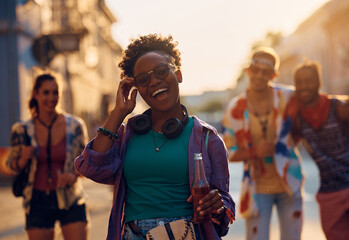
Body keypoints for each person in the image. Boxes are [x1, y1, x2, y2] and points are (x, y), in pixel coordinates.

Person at [74, 34, 235, 240]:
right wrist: (118, 113)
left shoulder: (207, 138)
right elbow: (90, 168)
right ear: (136, 88)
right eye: (143, 79)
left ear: (178, 74)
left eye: (161, 71)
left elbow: (225, 205)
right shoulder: (127, 134)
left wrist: (218, 204)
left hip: (187, 233)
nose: (154, 81)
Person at [222, 47, 304, 240]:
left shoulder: (288, 98)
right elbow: (228, 152)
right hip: (257, 188)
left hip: (289, 182)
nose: (259, 75)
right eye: (255, 69)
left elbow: (314, 102)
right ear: (248, 70)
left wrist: (347, 103)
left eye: (265, 71)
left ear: (273, 74)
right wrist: (254, 152)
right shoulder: (235, 108)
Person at [6, 72, 89, 240]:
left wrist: (73, 175)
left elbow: (87, 163)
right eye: (46, 92)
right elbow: (10, 165)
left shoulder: (75, 126)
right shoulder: (21, 130)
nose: (51, 97)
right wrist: (22, 159)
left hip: (70, 199)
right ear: (35, 94)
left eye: (55, 92)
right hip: (37, 201)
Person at [286, 61, 349, 240]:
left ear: (318, 83)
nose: (304, 86)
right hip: (328, 192)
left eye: (308, 81)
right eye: (299, 82)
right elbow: (282, 145)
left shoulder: (341, 108)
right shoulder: (297, 119)